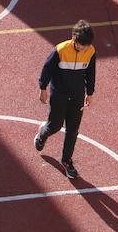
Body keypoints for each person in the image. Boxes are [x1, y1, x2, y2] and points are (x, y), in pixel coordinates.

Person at [34, 20, 97, 180]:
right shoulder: (60, 50)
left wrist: (89, 92)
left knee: (73, 130)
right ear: (74, 40)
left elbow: (90, 73)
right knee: (54, 126)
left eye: (88, 45)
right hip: (59, 96)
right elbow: (46, 69)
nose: (86, 48)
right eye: (83, 45)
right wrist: (42, 89)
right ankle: (43, 134)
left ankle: (66, 161)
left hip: (77, 97)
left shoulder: (90, 51)